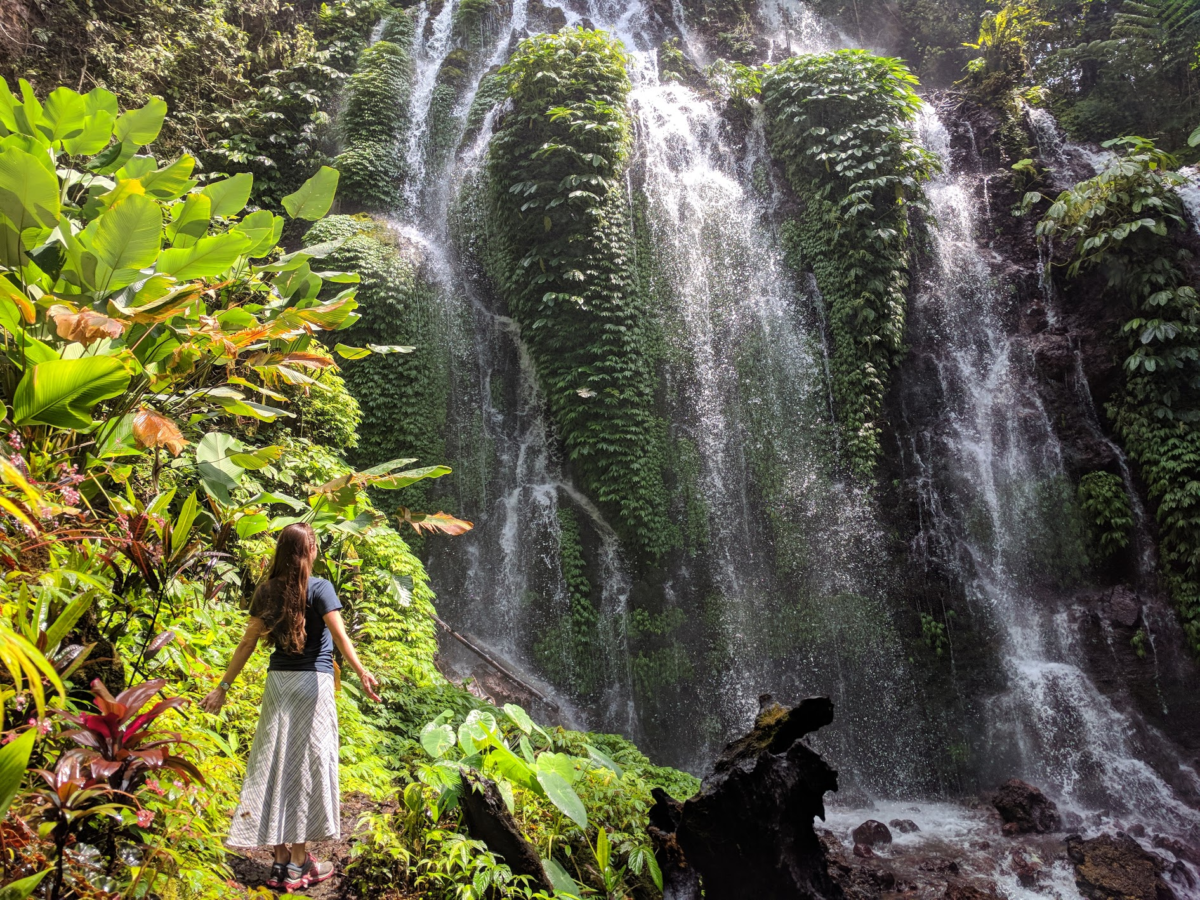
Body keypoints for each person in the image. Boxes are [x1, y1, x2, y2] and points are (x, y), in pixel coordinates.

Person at [200, 523, 381, 891]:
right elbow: (340, 635)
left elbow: (247, 644)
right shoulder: (320, 588)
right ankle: (300, 863)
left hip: (279, 685)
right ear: (310, 549)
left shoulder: (267, 591)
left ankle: (280, 860)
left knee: (273, 764)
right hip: (313, 687)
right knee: (305, 767)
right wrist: (362, 671)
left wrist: (222, 687)